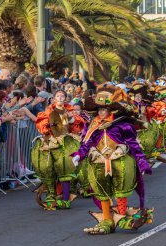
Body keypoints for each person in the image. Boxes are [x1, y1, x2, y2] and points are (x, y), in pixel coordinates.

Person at [71, 83, 152, 235]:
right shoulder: (94, 126)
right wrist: (79, 155)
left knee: (121, 191)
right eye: (99, 109)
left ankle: (121, 215)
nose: (101, 112)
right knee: (102, 191)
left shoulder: (122, 125)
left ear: (110, 110)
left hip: (120, 161)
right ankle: (108, 220)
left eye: (104, 109)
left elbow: (134, 145)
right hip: (100, 163)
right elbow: (87, 144)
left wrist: (142, 163)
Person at [32, 90, 85, 210]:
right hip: (51, 142)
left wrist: (71, 119)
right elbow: (41, 124)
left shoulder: (70, 110)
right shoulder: (48, 111)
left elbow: (78, 124)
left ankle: (66, 198)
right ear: (54, 98)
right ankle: (51, 195)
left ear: (65, 98)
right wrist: (49, 126)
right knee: (48, 168)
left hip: (65, 143)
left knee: (65, 170)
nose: (60, 98)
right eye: (58, 96)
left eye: (62, 96)